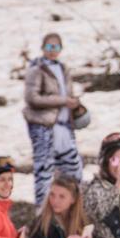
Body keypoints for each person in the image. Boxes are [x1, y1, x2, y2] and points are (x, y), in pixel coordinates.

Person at [23, 32, 84, 206]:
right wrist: (63, 101)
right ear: (43, 48)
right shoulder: (36, 70)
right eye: (49, 47)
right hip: (45, 126)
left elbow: (68, 93)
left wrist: (75, 105)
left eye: (56, 47)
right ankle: (42, 213)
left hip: (65, 126)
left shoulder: (63, 69)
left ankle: (74, 208)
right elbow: (32, 98)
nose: (52, 50)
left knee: (74, 169)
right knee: (45, 172)